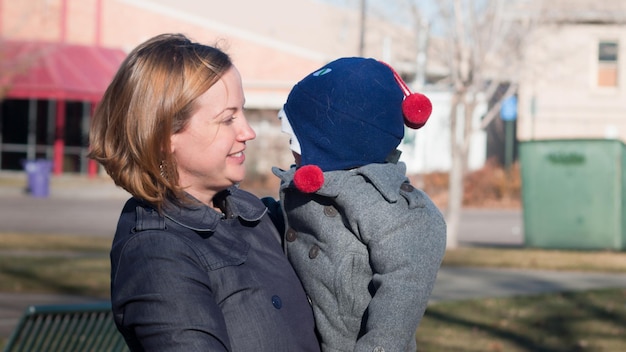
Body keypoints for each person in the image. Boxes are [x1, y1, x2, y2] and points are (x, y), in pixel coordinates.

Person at [88, 33, 320, 352]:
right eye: (227, 119)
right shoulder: (156, 252)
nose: (247, 132)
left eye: (242, 112)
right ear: (164, 134)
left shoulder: (251, 212)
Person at [269, 57, 447, 352]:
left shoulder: (398, 214)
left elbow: (390, 330)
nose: (290, 146)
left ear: (332, 142)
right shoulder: (307, 188)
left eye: (297, 138)